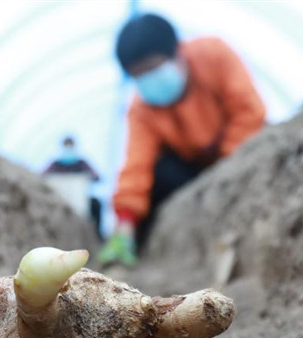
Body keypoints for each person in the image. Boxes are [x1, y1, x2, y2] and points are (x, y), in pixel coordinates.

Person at [98, 13, 266, 267]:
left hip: (237, 157)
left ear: (177, 51)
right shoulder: (142, 109)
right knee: (160, 175)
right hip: (189, 173)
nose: (150, 80)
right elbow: (136, 165)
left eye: (153, 68)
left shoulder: (214, 56)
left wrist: (226, 168)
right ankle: (146, 251)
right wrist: (124, 223)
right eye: (139, 75)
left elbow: (249, 112)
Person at [42, 136, 103, 237]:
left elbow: (97, 176)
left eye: (71, 146)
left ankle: (97, 235)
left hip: (80, 200)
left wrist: (90, 177)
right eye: (67, 146)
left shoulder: (82, 163)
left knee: (96, 204)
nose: (69, 149)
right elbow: (42, 177)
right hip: (59, 200)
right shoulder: (56, 164)